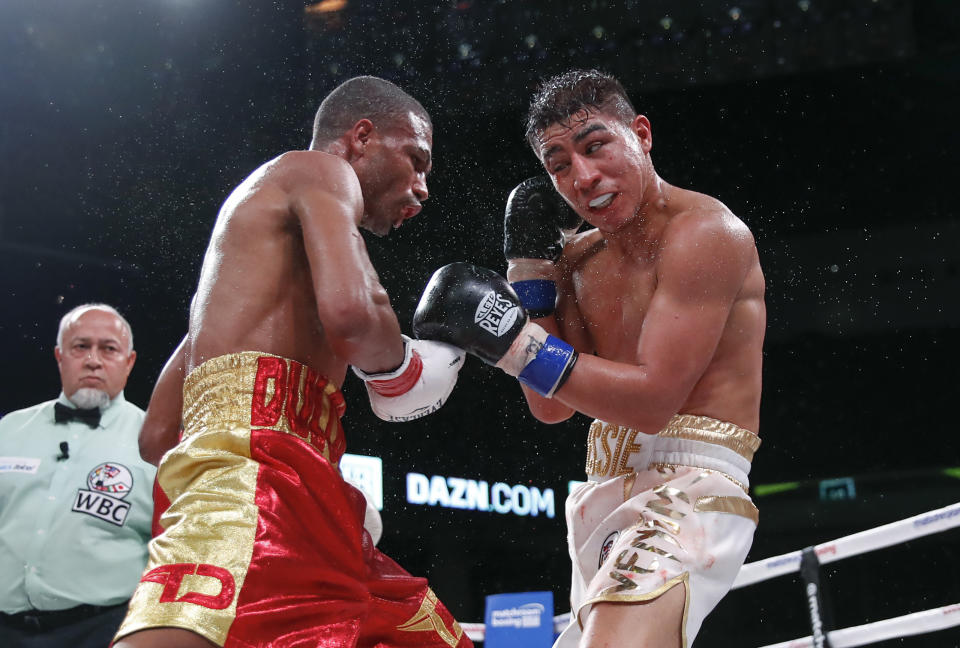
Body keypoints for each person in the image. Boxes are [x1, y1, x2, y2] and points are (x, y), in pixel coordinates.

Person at [112, 75, 470, 648]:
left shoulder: (238, 283)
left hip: (303, 491)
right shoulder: (318, 171)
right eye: (417, 159)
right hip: (254, 480)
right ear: (361, 137)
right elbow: (355, 315)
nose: (423, 187)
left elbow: (157, 436)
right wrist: (406, 368)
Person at [413, 68, 765, 648]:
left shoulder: (705, 234)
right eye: (558, 165)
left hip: (692, 485)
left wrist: (509, 340)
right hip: (601, 491)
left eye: (595, 146)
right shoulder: (576, 260)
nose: (583, 176)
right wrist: (528, 270)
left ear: (642, 135)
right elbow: (548, 406)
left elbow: (653, 402)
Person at [0, 303, 156, 648]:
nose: (93, 360)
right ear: (60, 356)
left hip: (101, 631)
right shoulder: (9, 430)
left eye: (108, 349)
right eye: (81, 346)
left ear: (129, 362)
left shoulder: (154, 441)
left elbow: (172, 545)